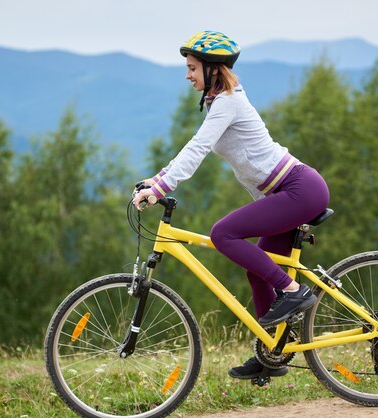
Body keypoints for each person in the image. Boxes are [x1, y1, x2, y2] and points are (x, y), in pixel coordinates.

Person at [132, 30, 330, 380]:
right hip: (286, 193)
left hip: (299, 189)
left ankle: (293, 290)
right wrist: (157, 178)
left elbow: (198, 148)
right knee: (257, 269)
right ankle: (273, 350)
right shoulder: (218, 102)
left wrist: (162, 187)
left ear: (212, 69)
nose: (187, 74)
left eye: (192, 67)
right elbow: (194, 147)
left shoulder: (228, 102)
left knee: (223, 234)